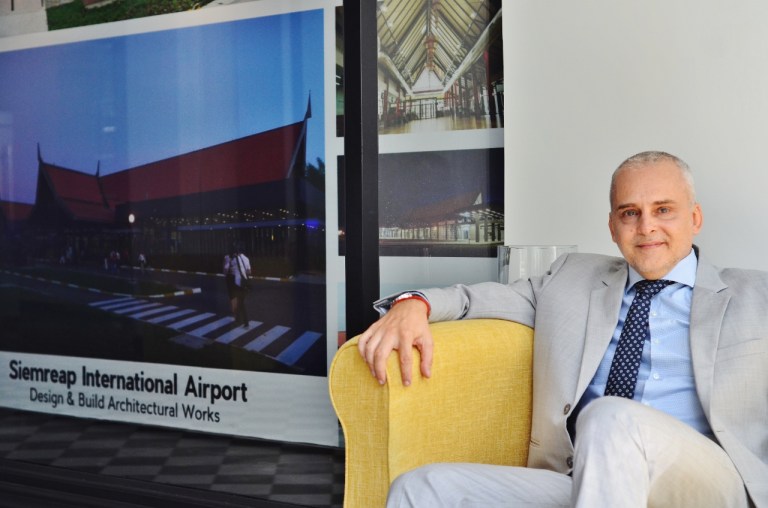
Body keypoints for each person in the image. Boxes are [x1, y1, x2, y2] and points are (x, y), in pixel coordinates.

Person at [358, 151, 767, 508]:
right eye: (630, 213)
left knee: (609, 415)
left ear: (694, 218)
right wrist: (414, 303)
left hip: (708, 485)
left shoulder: (756, 295)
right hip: (588, 480)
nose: (646, 227)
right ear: (613, 227)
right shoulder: (572, 279)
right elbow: (475, 299)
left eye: (663, 210)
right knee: (422, 487)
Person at [223, 243, 251, 328]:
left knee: (238, 302)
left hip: (236, 283)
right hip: (245, 283)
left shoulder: (231, 258)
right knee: (240, 302)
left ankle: (244, 321)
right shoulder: (246, 258)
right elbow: (249, 272)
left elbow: (225, 271)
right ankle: (240, 320)